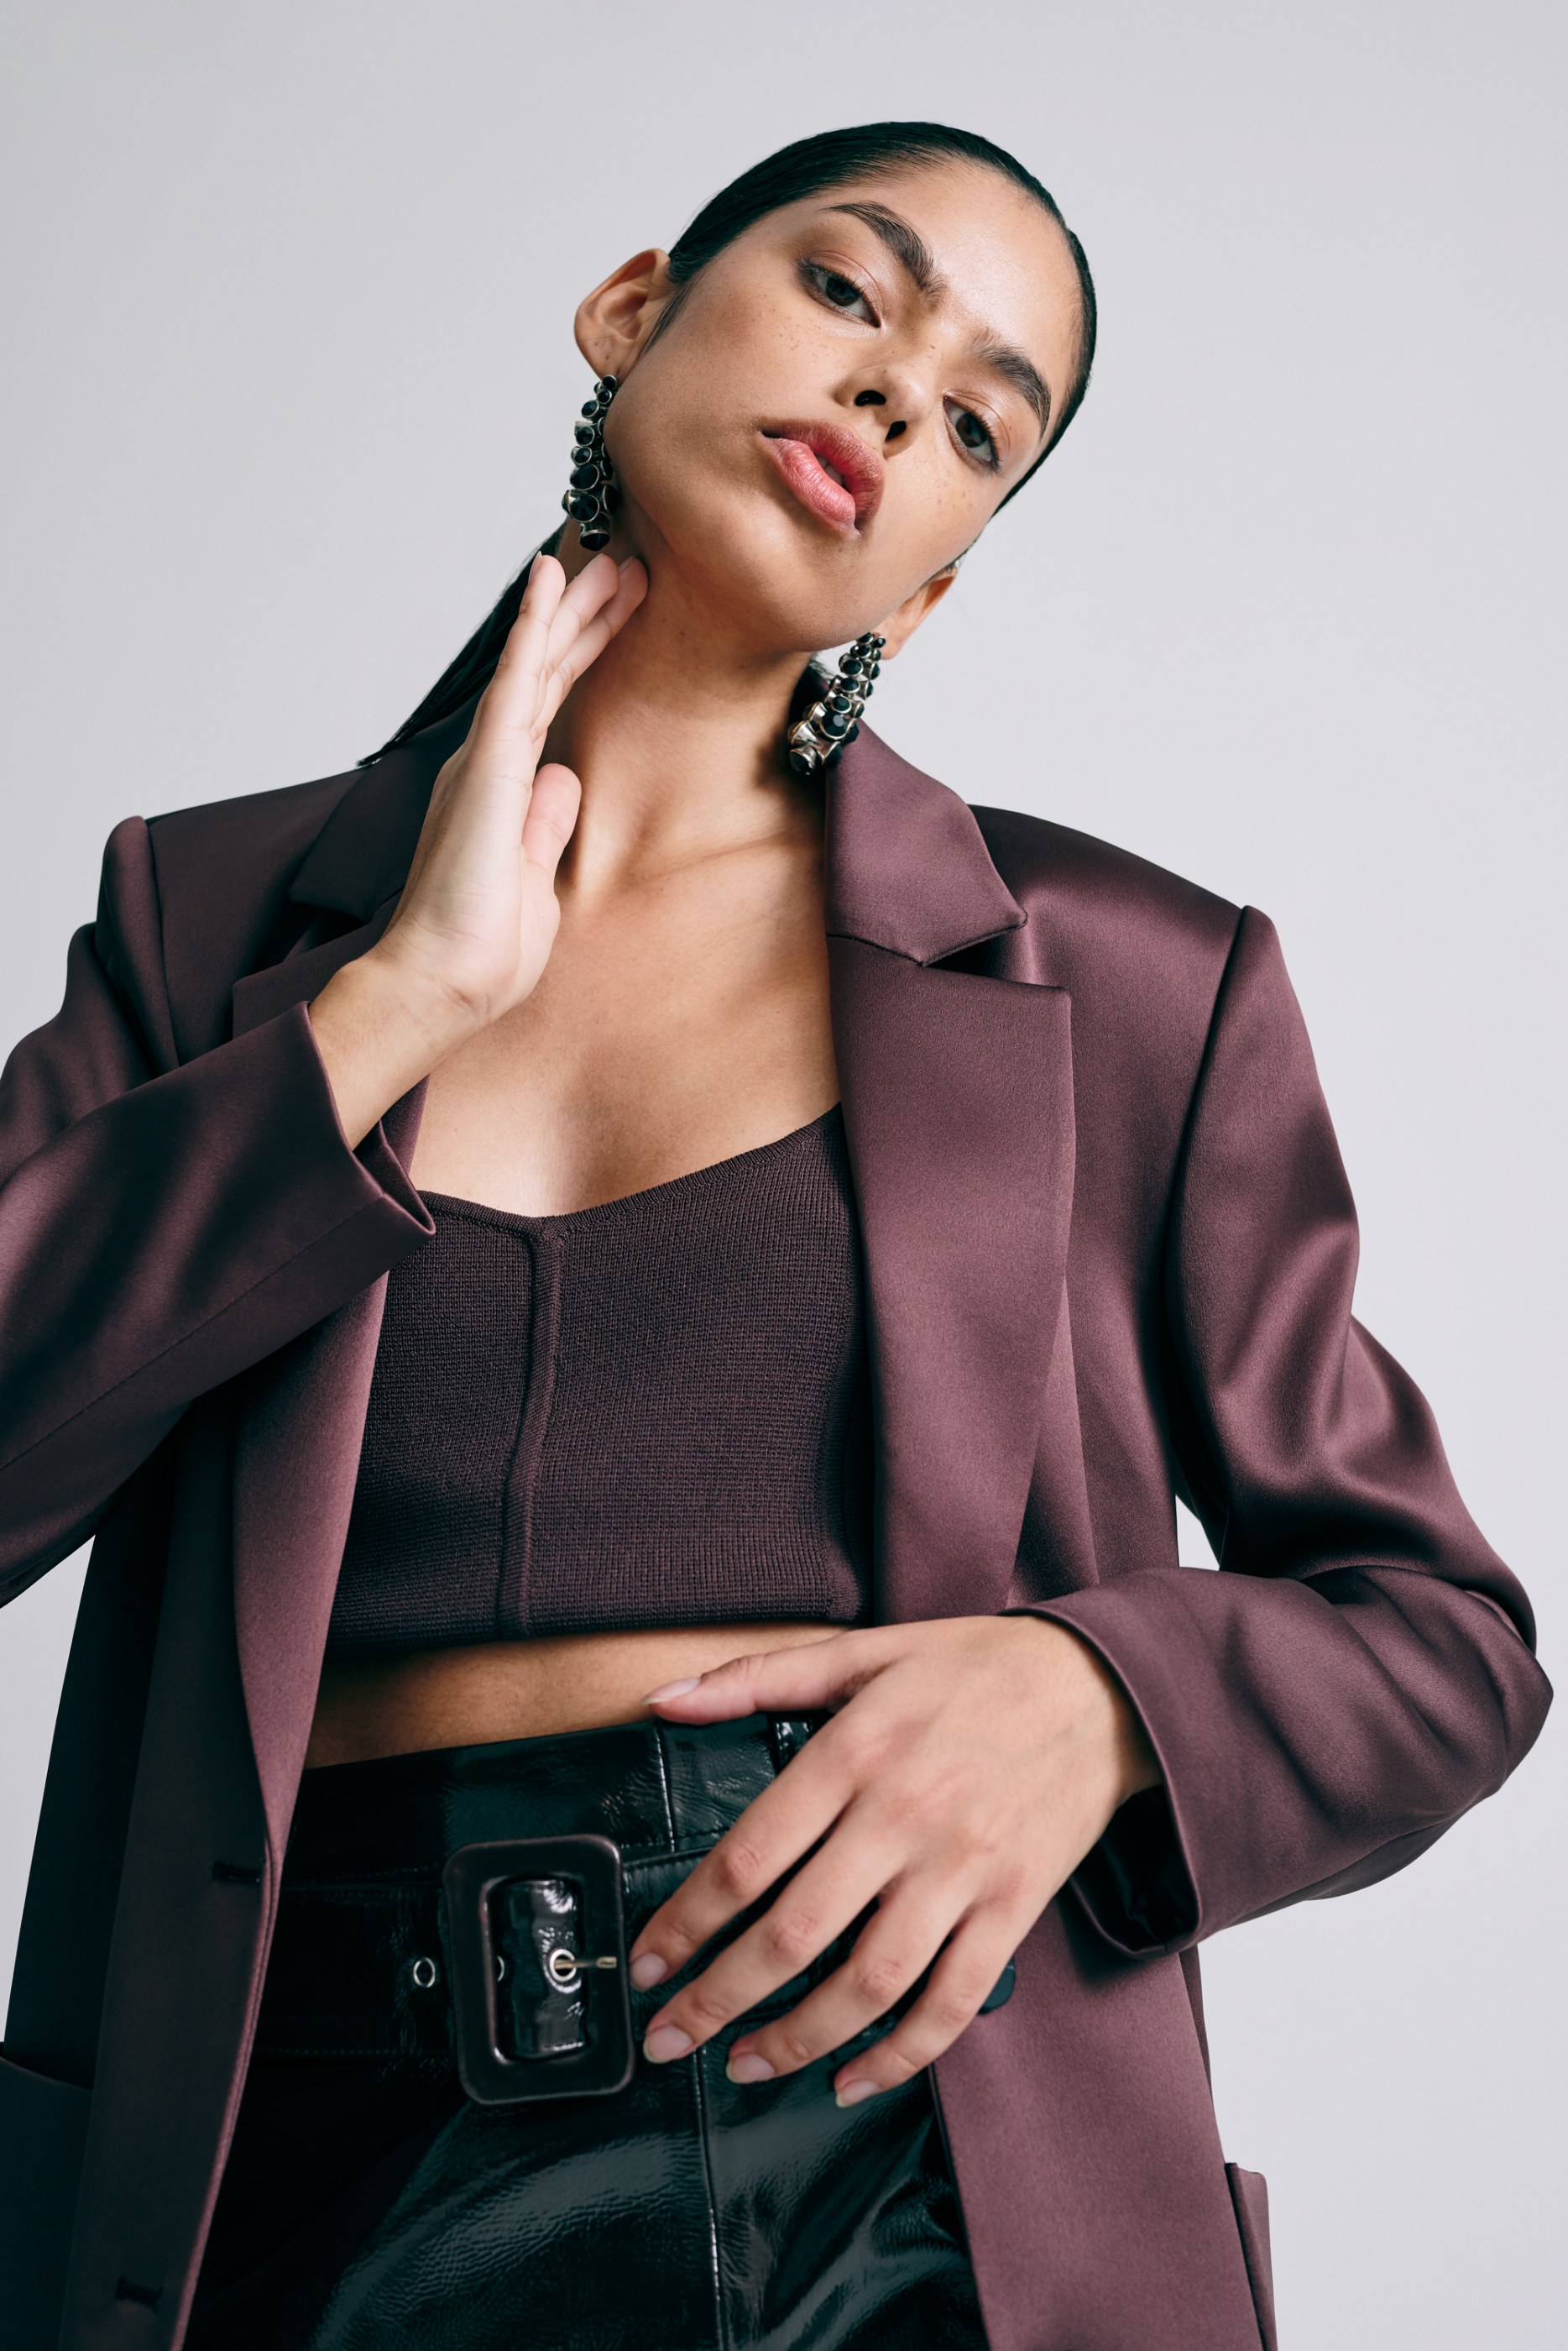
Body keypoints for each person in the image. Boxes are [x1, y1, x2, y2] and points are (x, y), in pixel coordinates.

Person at [0, 119, 1549, 2351]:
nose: (901, 398)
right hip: (294, 2158)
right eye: (856, 291)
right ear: (632, 307)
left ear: (926, 583)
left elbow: (1441, 1642)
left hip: (902, 2169)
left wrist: (1095, 1690)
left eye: (979, 418)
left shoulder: (1125, 985)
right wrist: (386, 1016)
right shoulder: (212, 923)